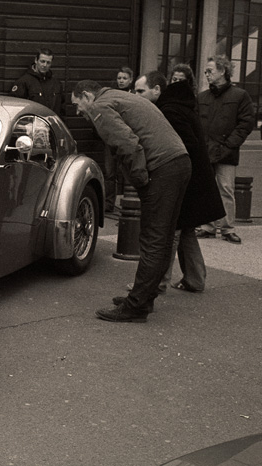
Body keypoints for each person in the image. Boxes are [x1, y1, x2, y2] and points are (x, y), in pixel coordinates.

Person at [71, 80, 191, 322]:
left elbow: (127, 145)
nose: (77, 111)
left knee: (153, 240)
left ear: (87, 96)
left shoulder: (100, 107)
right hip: (178, 162)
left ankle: (136, 307)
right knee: (163, 238)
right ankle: (143, 298)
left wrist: (141, 180)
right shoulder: (119, 97)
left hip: (162, 167)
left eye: (77, 104)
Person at [133, 70, 224, 293]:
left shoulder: (170, 111)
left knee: (170, 231)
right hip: (193, 179)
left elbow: (184, 147)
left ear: (157, 90)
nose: (136, 96)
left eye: (140, 91)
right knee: (185, 230)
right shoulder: (178, 106)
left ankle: (157, 283)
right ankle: (195, 279)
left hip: (184, 181)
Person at [195, 55, 255, 244]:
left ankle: (227, 227)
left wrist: (229, 145)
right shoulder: (202, 97)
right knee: (207, 189)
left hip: (226, 151)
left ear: (222, 71)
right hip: (206, 150)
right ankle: (208, 226)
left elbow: (246, 123)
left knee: (226, 189)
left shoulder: (239, 95)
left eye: (210, 71)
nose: (206, 74)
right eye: (206, 71)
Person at [103, 66, 135, 211]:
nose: (121, 81)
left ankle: (129, 202)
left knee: (128, 171)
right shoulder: (111, 95)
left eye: (124, 78)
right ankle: (109, 203)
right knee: (110, 172)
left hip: (127, 138)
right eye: (119, 78)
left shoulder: (134, 96)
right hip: (111, 138)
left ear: (130, 80)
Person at [10, 48, 63, 115]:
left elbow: (62, 109)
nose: (45, 65)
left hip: (51, 121)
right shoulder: (24, 82)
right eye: (42, 61)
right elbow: (14, 108)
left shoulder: (56, 84)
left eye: (48, 62)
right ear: (36, 60)